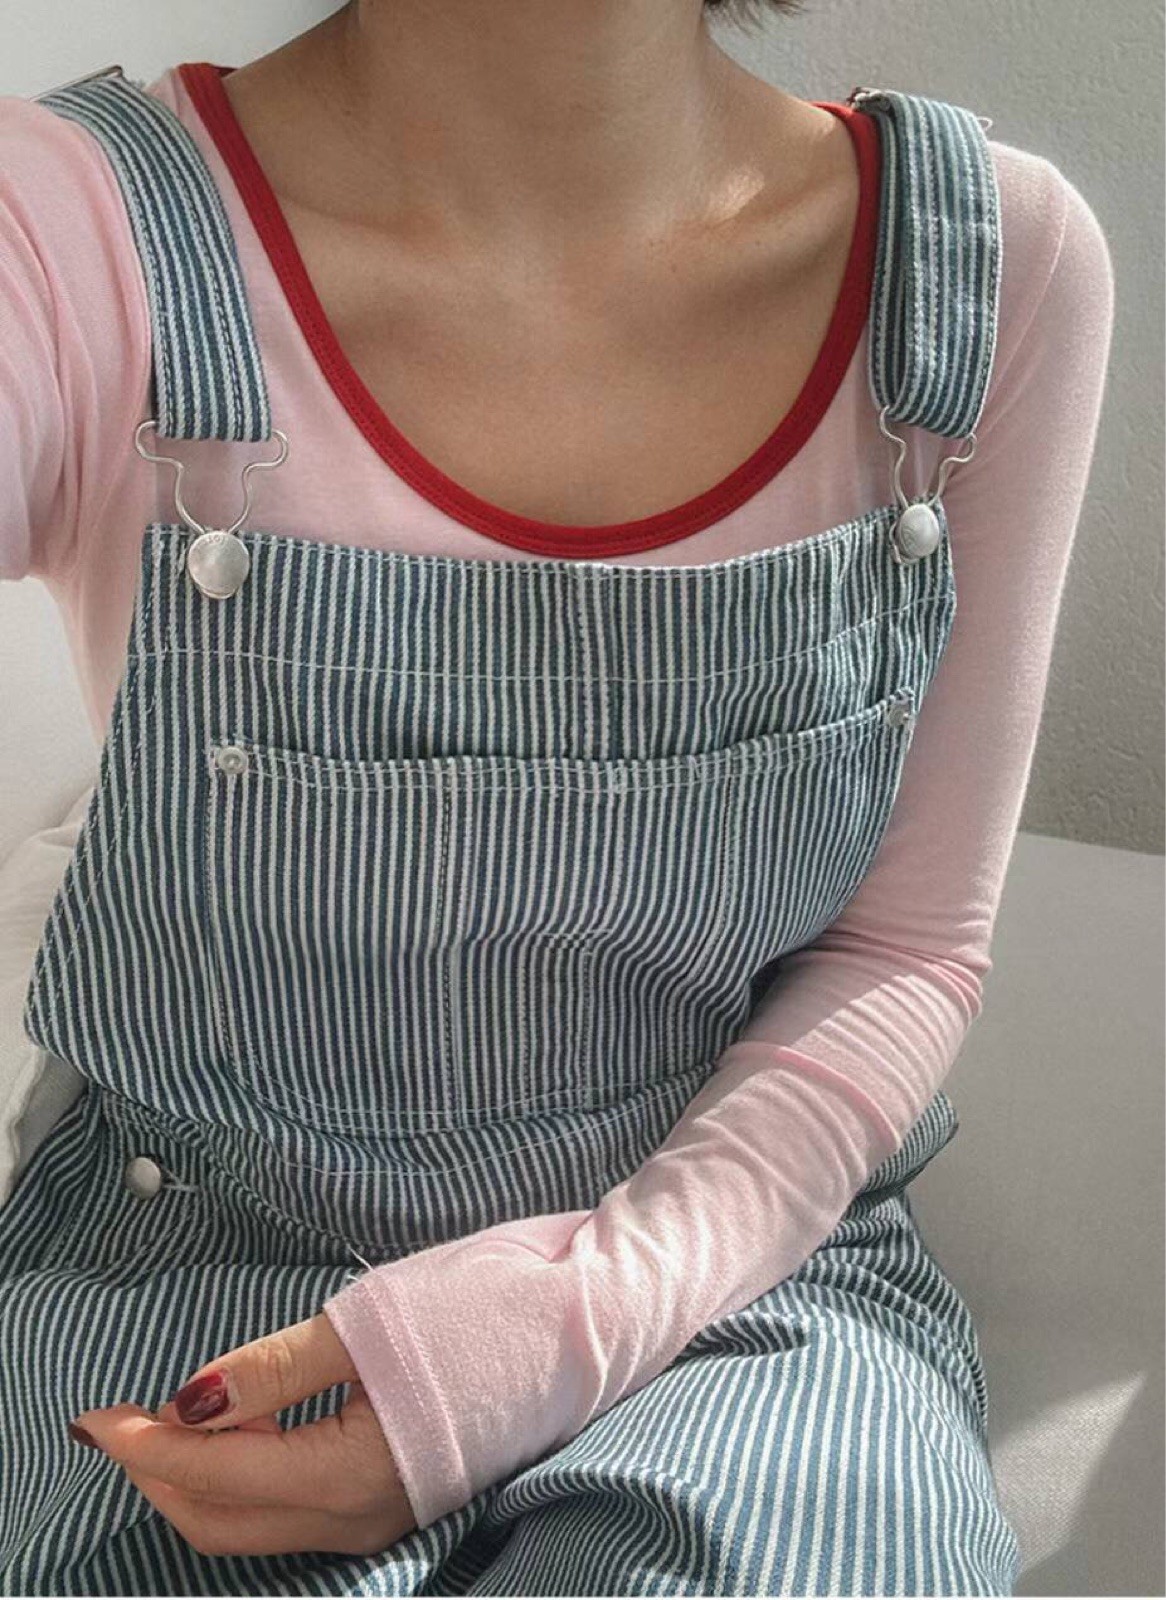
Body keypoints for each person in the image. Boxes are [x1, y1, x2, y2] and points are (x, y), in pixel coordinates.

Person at [0, 0, 1114, 1593]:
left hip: (732, 1280)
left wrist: (571, 1317)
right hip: (198, 1295)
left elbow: (905, 945)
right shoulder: (66, 234)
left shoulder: (984, 271)